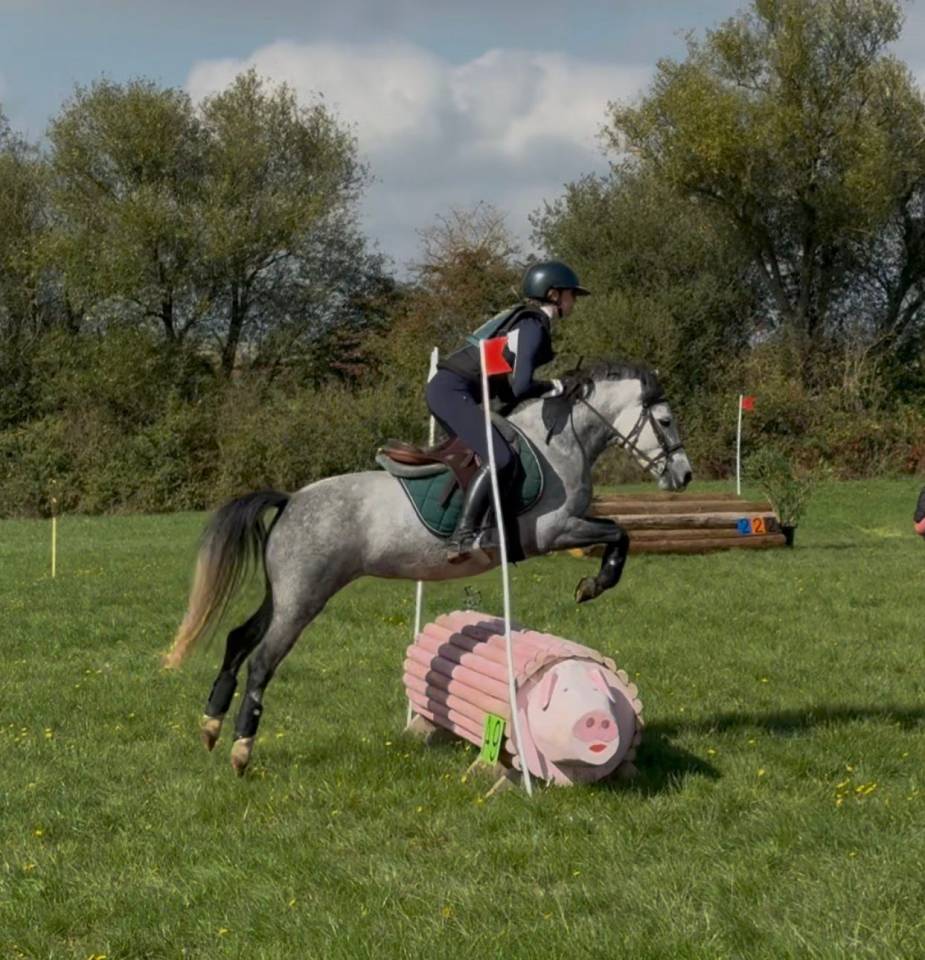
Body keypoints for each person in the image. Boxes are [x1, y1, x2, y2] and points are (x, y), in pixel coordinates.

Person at [425, 260, 590, 562]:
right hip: (451, 391)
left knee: (502, 453)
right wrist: (557, 386)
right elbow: (521, 387)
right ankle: (462, 537)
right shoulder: (532, 326)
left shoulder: (523, 323)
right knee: (501, 457)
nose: (574, 301)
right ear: (553, 295)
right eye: (571, 294)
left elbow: (505, 388)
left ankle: (500, 535)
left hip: (454, 391)